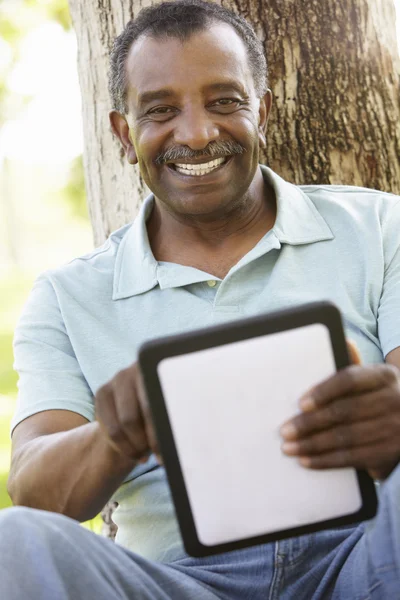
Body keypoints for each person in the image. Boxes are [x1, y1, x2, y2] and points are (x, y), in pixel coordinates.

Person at [2, 1, 400, 598]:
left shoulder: (379, 227)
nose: (196, 133)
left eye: (225, 102)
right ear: (122, 131)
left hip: (364, 560)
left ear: (261, 111)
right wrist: (115, 435)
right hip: (179, 584)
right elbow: (33, 489)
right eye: (161, 111)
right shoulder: (68, 296)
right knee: (15, 542)